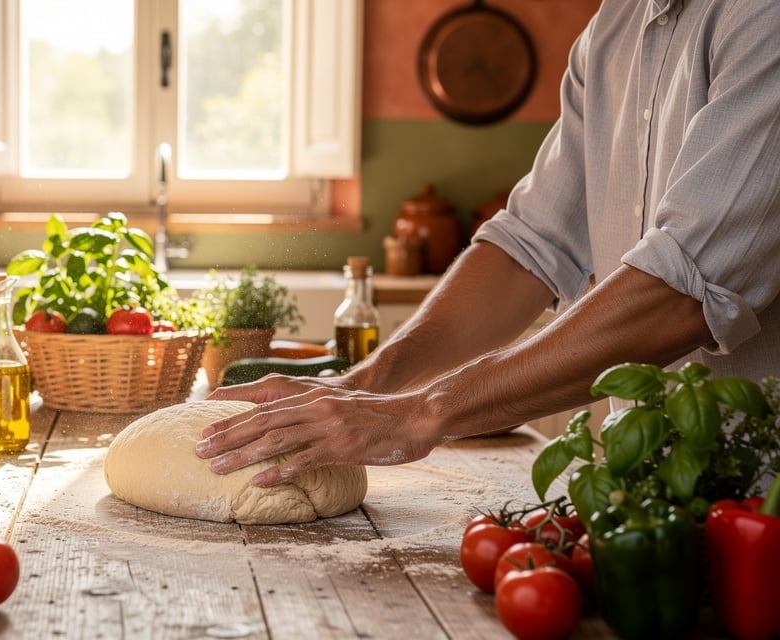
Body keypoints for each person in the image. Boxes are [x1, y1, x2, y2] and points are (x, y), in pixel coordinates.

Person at [196, 0, 780, 488]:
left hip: (761, 498)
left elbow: (680, 291)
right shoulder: (614, 27)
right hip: (650, 495)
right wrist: (363, 385)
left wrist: (422, 414)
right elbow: (529, 248)